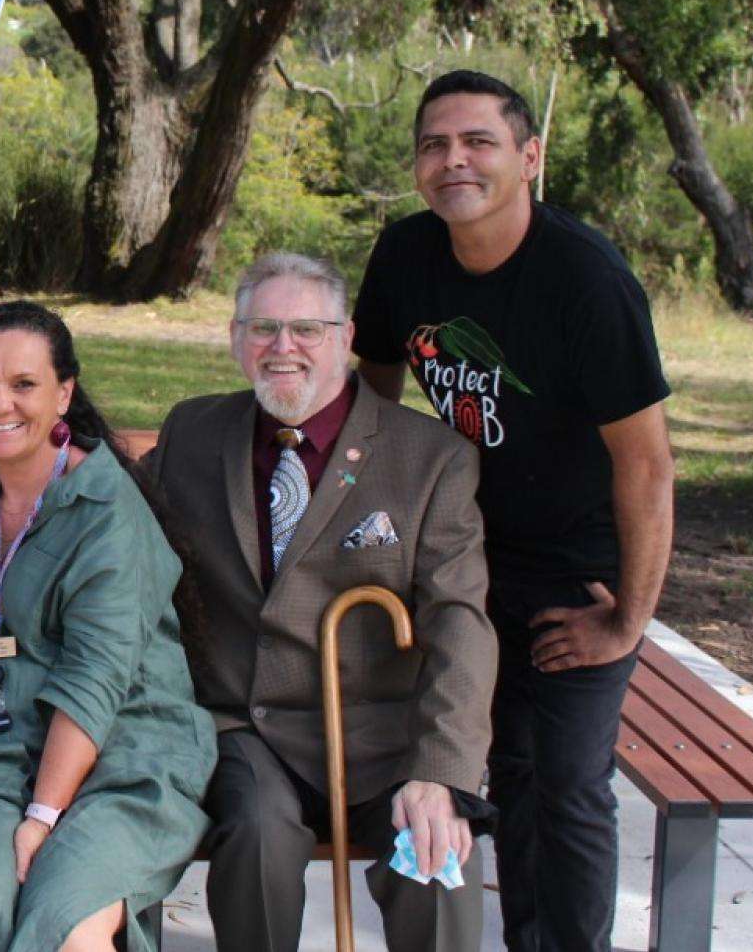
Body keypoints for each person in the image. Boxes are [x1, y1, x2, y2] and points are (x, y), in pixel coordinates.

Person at [353, 70, 675, 952]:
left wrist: (629, 623)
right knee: (500, 765)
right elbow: (372, 395)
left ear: (529, 158)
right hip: (464, 555)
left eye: (478, 142)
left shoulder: (586, 281)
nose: (453, 159)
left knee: (566, 781)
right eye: (433, 144)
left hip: (577, 574)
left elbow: (646, 466)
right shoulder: (405, 255)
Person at [148, 253, 497, 952]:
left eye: (307, 328)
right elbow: (119, 539)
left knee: (437, 857)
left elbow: (460, 625)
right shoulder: (192, 433)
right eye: (263, 327)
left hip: (381, 736)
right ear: (234, 337)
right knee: (257, 838)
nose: (283, 347)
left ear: (346, 337)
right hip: (244, 731)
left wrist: (441, 775)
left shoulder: (429, 458)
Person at [0, 300, 215, 952]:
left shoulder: (108, 511)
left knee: (68, 925)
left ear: (64, 394)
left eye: (24, 384)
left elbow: (95, 678)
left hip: (122, 756)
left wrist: (42, 817)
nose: (1, 403)